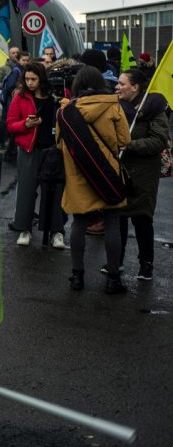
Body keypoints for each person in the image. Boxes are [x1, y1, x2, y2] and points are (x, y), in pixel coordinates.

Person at [56, 66, 130, 294]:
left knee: (79, 223)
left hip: (78, 175)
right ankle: (113, 279)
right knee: (112, 223)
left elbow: (60, 144)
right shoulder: (113, 106)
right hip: (107, 174)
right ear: (100, 83)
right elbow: (124, 140)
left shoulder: (67, 111)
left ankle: (77, 277)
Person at [114, 69, 168, 281]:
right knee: (117, 218)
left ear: (135, 87)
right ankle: (115, 262)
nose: (117, 87)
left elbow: (158, 141)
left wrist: (128, 145)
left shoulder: (154, 108)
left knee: (142, 219)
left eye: (121, 83)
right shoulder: (116, 106)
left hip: (144, 173)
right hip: (120, 169)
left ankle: (146, 265)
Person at [6, 62, 66, 248]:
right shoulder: (20, 97)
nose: (30, 83)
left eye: (33, 79)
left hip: (53, 150)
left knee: (56, 192)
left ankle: (57, 231)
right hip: (29, 150)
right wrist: (25, 124)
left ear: (41, 79)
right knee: (26, 191)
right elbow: (10, 125)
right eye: (27, 79)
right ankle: (24, 228)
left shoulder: (55, 97)